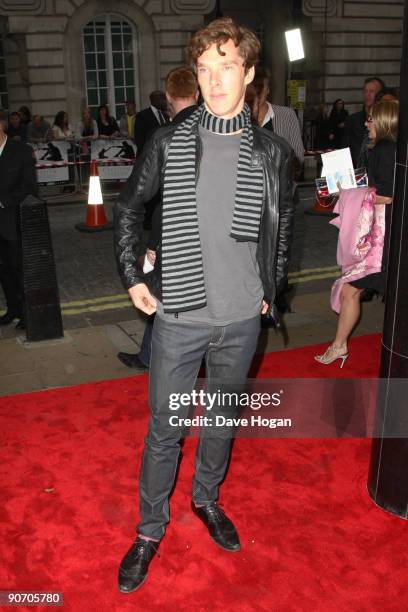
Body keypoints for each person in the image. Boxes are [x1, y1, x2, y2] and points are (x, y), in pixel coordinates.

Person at [114, 17, 294, 593]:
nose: (215, 81)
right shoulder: (169, 138)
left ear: (247, 73)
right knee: (165, 429)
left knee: (219, 420)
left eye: (227, 67)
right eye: (205, 69)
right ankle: (147, 531)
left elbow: (282, 227)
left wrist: (274, 286)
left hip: (242, 315)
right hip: (179, 315)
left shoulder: (272, 151)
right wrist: (130, 273)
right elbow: (128, 208)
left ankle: (206, 499)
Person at [117, 67, 199, 371]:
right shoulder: (217, 133)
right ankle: (155, 357)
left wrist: (151, 245)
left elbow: (142, 202)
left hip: (173, 237)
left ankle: (165, 361)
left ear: (167, 96)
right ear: (198, 93)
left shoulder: (164, 137)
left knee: (164, 297)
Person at [315, 99, 398, 366]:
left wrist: (349, 191)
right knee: (352, 290)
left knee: (351, 289)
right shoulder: (387, 149)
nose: (366, 123)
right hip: (378, 235)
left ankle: (339, 346)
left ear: (384, 122)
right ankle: (339, 345)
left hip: (378, 240)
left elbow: (386, 195)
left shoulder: (385, 150)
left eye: (371, 119)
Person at [0, 116, 37, 327]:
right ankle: (12, 308)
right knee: (2, 270)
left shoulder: (21, 151)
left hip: (13, 219)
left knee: (17, 267)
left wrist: (3, 201)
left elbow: (30, 187)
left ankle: (26, 312)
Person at [252, 66, 304, 169]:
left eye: (263, 86)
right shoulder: (239, 118)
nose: (259, 92)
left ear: (268, 90)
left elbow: (298, 154)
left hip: (280, 182)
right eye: (256, 87)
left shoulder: (287, 115)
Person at [342, 76, 385, 167]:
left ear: (380, 95)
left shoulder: (384, 121)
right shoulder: (352, 120)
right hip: (356, 171)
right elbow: (344, 148)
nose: (367, 95)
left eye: (372, 91)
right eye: (365, 91)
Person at [133, 90, 169, 155]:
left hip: (163, 154)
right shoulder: (142, 115)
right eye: (163, 99)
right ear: (156, 100)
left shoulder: (165, 115)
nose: (165, 102)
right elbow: (139, 139)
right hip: (148, 156)